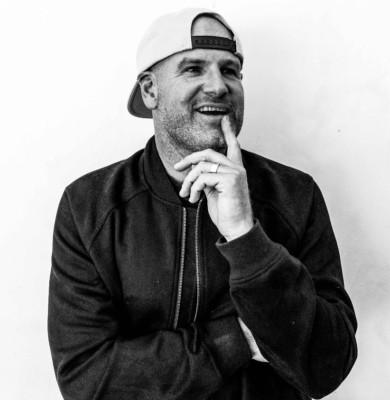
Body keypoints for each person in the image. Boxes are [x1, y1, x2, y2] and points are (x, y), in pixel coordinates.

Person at [48, 8, 357, 400]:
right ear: (150, 90)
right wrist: (236, 338)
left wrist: (246, 237)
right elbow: (86, 381)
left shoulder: (295, 195)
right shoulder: (89, 205)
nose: (218, 86)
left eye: (230, 71)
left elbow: (327, 367)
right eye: (194, 69)